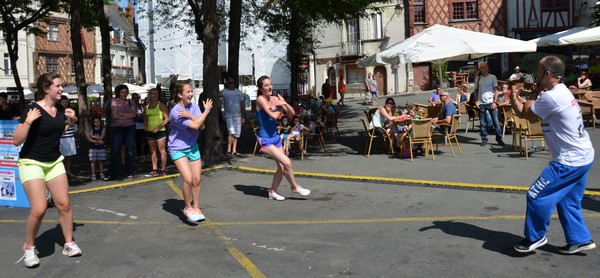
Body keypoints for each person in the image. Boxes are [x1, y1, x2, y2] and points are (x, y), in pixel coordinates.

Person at [511, 55, 596, 254]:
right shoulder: (561, 92)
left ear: (547, 74)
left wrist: (533, 91)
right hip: (583, 156)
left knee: (535, 195)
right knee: (568, 200)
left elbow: (526, 113)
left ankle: (535, 237)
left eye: (539, 73)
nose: (536, 77)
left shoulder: (552, 96)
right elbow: (524, 110)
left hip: (569, 160)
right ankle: (579, 239)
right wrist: (515, 97)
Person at [13, 73, 82, 268]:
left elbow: (56, 132)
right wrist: (28, 121)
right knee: (39, 208)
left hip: (54, 161)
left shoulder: (60, 109)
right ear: (46, 88)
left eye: (62, 86)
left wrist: (73, 121)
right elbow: (16, 140)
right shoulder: (32, 109)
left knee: (64, 204)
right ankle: (29, 247)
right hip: (31, 162)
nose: (62, 89)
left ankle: (69, 243)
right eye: (58, 86)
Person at [255, 75, 310, 201]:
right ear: (260, 88)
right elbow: (273, 116)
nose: (269, 87)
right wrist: (279, 107)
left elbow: (291, 114)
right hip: (265, 141)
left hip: (275, 137)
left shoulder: (275, 98)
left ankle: (272, 192)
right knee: (287, 162)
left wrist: (284, 103)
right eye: (266, 85)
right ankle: (295, 187)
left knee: (281, 167)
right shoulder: (260, 99)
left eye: (270, 84)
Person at [168, 82, 213, 222]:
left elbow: (203, 125)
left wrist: (192, 115)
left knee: (197, 180)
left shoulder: (193, 107)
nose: (191, 94)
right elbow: (195, 125)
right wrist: (205, 111)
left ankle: (196, 207)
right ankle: (187, 207)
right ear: (180, 95)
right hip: (178, 148)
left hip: (192, 146)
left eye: (191, 91)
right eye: (188, 92)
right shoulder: (176, 111)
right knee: (187, 179)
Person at [104, 84, 136, 181]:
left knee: (129, 151)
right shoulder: (114, 102)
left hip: (130, 127)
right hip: (117, 128)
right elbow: (114, 115)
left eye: (126, 92)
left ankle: (129, 171)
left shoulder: (131, 102)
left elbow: (134, 115)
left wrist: (121, 114)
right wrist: (127, 115)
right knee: (115, 151)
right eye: (122, 92)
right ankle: (112, 173)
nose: (124, 94)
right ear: (118, 92)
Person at [474, 62, 504, 147]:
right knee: (482, 123)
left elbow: (496, 90)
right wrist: (476, 101)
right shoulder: (478, 78)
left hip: (491, 102)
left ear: (487, 68)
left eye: (482, 67)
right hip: (481, 103)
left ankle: (499, 139)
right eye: (480, 68)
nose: (481, 69)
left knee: (496, 122)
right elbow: (475, 90)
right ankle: (484, 139)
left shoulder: (492, 77)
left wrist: (495, 102)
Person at [144, 88, 169, 177]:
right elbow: (146, 118)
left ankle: (163, 170)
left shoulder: (161, 105)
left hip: (160, 131)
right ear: (150, 95)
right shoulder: (147, 106)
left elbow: (167, 118)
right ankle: (154, 169)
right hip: (150, 131)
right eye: (153, 94)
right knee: (152, 151)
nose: (154, 95)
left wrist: (159, 127)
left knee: (162, 150)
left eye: (156, 94)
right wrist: (145, 126)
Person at [219, 77, 246, 157]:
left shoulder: (238, 92)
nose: (231, 84)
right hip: (229, 115)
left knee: (237, 133)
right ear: (227, 83)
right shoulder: (224, 92)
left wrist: (243, 116)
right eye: (229, 82)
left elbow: (242, 103)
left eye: (233, 82)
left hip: (238, 115)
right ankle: (228, 150)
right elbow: (216, 95)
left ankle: (234, 150)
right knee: (231, 132)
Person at [58, 96, 77, 179]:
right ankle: (63, 173)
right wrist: (66, 123)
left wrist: (72, 119)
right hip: (62, 136)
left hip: (70, 135)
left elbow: (75, 119)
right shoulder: (57, 112)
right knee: (61, 156)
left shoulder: (70, 111)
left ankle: (68, 171)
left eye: (66, 102)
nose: (65, 104)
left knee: (69, 156)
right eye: (63, 102)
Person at [88, 116, 107, 180]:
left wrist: (93, 136)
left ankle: (101, 173)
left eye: (98, 121)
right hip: (93, 147)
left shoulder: (103, 129)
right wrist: (98, 141)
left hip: (100, 147)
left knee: (100, 161)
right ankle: (93, 174)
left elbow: (102, 137)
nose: (97, 123)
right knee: (93, 161)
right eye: (95, 122)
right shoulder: (91, 129)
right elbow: (90, 139)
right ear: (93, 123)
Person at [132, 93, 147, 163]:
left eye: (137, 98)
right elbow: (135, 116)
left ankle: (145, 155)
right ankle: (139, 155)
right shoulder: (131, 107)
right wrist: (140, 115)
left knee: (146, 141)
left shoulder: (142, 105)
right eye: (134, 98)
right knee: (138, 142)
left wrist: (140, 115)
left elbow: (145, 114)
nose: (136, 99)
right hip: (136, 127)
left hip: (143, 126)